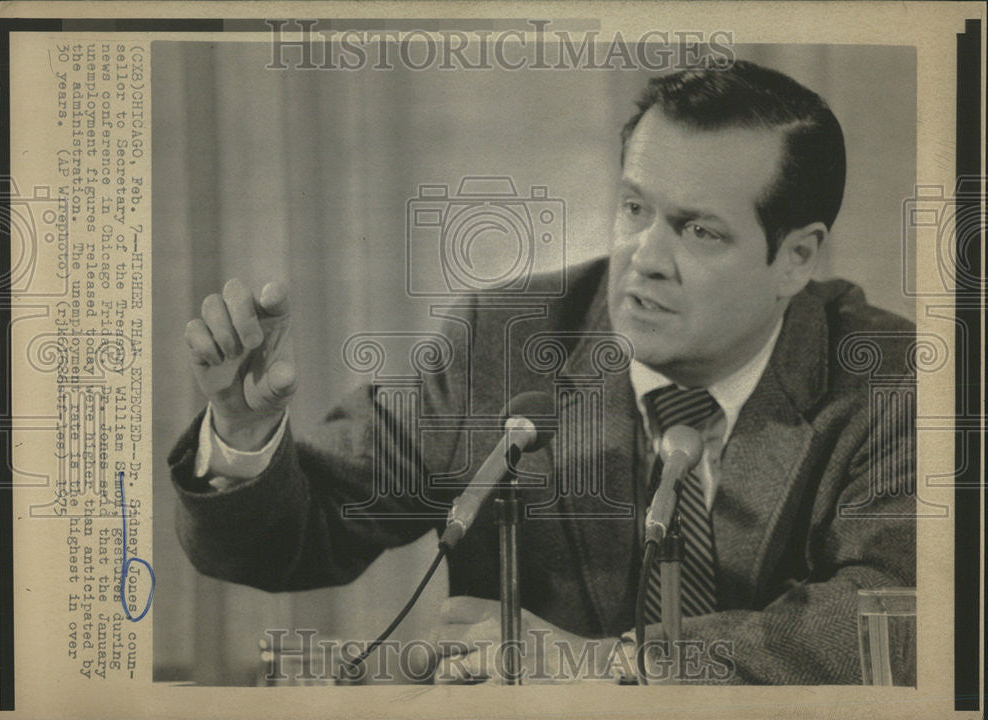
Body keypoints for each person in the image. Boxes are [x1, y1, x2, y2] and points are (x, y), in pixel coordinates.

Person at [170, 60, 916, 684]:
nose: (645, 257)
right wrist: (242, 434)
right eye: (634, 208)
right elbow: (298, 536)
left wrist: (610, 663)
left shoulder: (889, 379)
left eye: (699, 230)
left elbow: (892, 612)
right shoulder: (506, 342)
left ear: (797, 257)